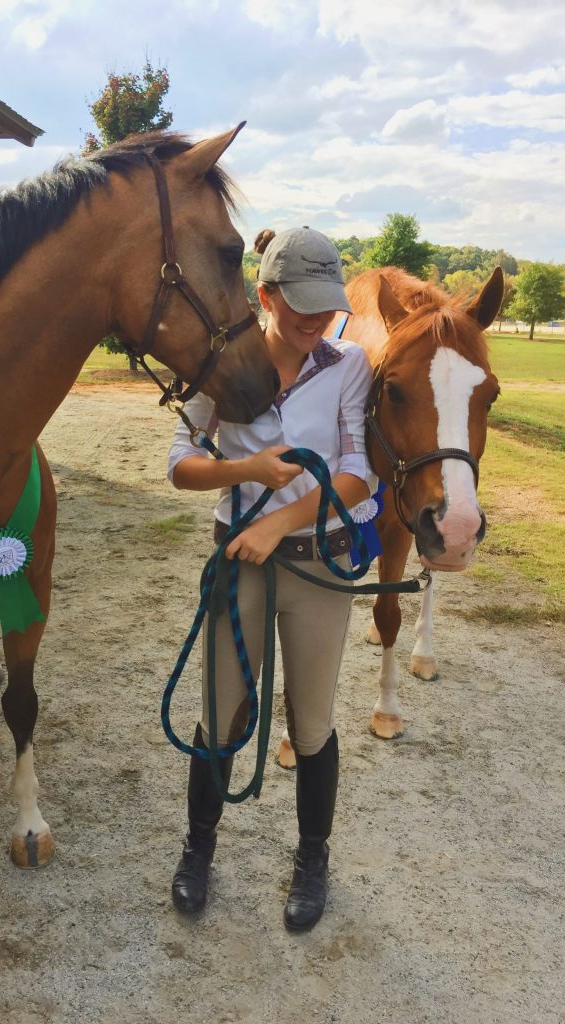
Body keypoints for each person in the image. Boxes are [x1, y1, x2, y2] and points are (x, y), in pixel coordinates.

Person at [166, 225, 377, 931]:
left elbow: (355, 474)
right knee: (219, 711)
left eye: (327, 307)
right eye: (302, 307)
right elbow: (180, 465)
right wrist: (247, 471)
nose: (318, 322)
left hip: (317, 564)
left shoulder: (348, 364)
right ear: (264, 294)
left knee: (311, 723)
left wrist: (278, 522)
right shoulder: (218, 363)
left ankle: (311, 860)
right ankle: (199, 850)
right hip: (239, 566)